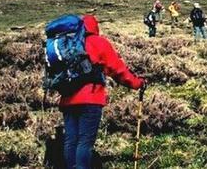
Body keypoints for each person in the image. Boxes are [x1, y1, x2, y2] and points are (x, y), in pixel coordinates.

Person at [60, 15, 145, 169]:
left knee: (70, 140)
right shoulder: (99, 42)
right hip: (90, 99)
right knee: (84, 142)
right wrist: (137, 83)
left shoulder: (68, 43)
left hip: (67, 100)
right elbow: (118, 70)